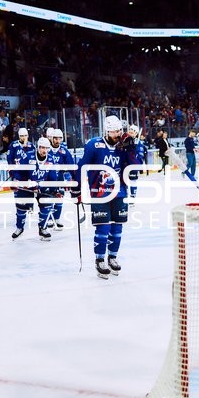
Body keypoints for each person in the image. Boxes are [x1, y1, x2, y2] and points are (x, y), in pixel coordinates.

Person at [76, 115, 133, 279]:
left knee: (117, 228)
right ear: (106, 131)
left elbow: (134, 169)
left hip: (120, 192)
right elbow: (82, 167)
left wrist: (131, 151)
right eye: (114, 131)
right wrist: (77, 188)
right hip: (99, 193)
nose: (117, 134)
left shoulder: (122, 147)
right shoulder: (94, 144)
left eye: (119, 131)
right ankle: (100, 259)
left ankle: (113, 257)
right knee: (103, 228)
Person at [10, 137, 59, 241]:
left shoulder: (50, 160)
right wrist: (16, 180)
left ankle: (43, 228)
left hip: (41, 187)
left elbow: (53, 177)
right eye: (42, 148)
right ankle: (19, 228)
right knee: (21, 207)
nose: (44, 150)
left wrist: (55, 190)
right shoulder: (28, 156)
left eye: (46, 148)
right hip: (27, 186)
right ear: (38, 147)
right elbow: (19, 171)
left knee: (46, 205)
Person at [46, 128, 74, 230]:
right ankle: (48, 218)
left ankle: (57, 218)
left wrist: (73, 177)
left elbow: (71, 165)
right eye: (56, 139)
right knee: (48, 198)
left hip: (60, 178)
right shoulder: (46, 149)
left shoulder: (63, 151)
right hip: (48, 180)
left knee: (59, 198)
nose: (58, 141)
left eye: (60, 139)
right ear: (52, 138)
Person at [123, 124, 146, 198]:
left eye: (133, 131)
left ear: (136, 133)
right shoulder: (124, 141)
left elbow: (140, 156)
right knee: (124, 181)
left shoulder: (138, 143)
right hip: (124, 165)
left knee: (133, 180)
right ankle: (124, 196)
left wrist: (136, 161)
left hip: (133, 165)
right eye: (130, 130)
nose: (131, 131)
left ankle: (133, 196)